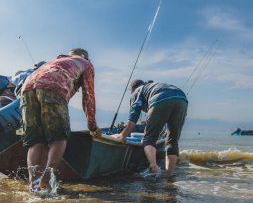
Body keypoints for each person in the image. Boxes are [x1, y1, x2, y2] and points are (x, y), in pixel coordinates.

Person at [21, 48, 101, 191]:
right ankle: (45, 181)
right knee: (59, 137)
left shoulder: (56, 61)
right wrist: (93, 126)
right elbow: (88, 96)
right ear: (86, 58)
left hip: (27, 88)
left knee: (36, 140)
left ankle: (32, 184)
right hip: (53, 86)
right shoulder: (85, 64)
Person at [119, 79, 188, 176]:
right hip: (182, 98)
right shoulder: (152, 87)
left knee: (149, 139)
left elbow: (134, 115)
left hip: (160, 98)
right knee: (172, 141)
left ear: (132, 89)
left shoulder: (137, 91)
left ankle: (154, 168)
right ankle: (169, 177)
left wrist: (123, 134)